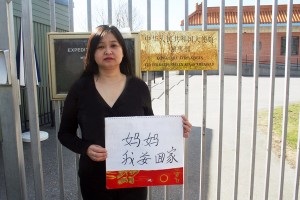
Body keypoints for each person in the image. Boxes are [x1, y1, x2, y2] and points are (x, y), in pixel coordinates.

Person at [58, 25, 192, 200]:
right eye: (100, 46)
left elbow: (149, 130)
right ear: (92, 53)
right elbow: (65, 133)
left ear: (122, 51)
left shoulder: (139, 87)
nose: (108, 51)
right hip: (94, 178)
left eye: (114, 45)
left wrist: (174, 130)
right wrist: (86, 148)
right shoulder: (80, 89)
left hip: (134, 179)